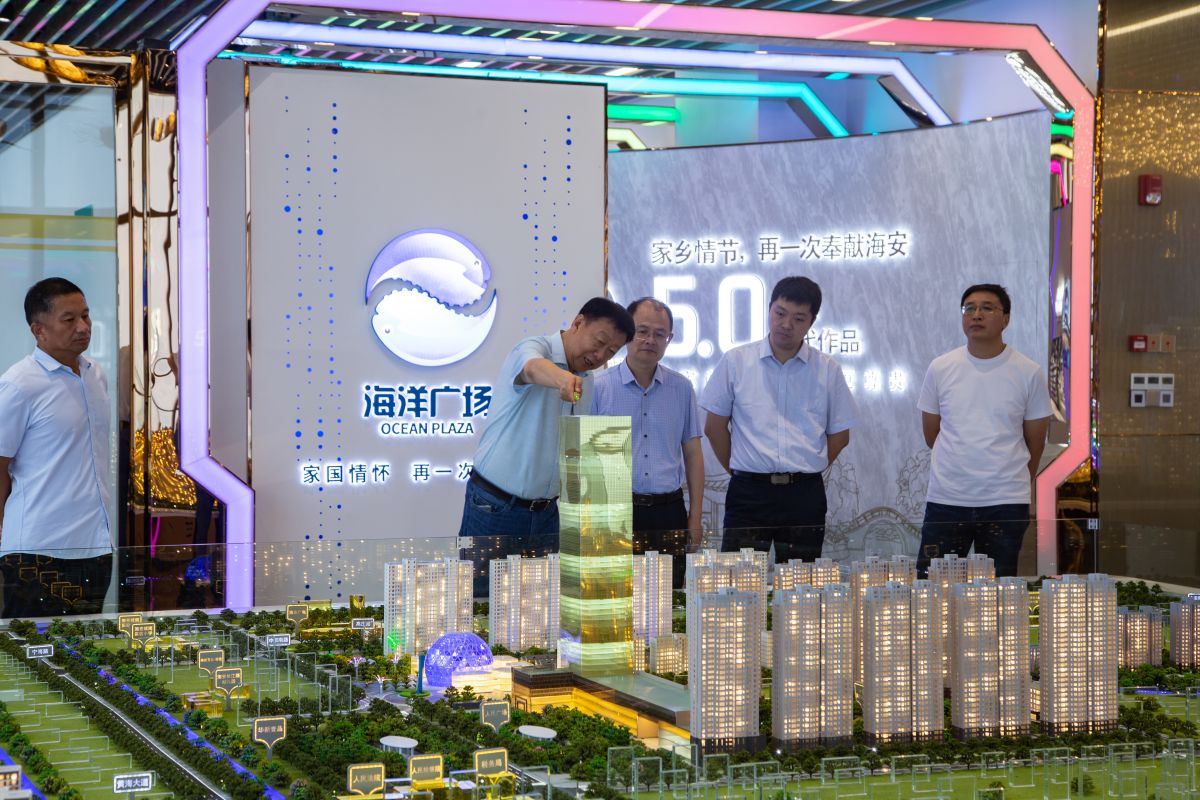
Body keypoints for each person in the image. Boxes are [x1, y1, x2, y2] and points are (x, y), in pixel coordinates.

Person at [459, 297, 635, 594]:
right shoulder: (533, 348)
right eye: (599, 342)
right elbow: (531, 368)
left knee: (538, 608)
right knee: (480, 603)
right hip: (495, 508)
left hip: (547, 514)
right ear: (578, 322)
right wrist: (562, 379)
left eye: (611, 352)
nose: (600, 355)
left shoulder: (588, 380)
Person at [701, 276, 856, 563]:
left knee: (801, 582)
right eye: (780, 313)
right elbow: (714, 427)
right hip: (749, 494)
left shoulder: (827, 369)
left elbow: (840, 435)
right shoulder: (736, 362)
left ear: (811, 322)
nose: (786, 324)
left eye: (798, 318)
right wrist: (740, 470)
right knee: (740, 578)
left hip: (804, 495)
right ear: (769, 308)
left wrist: (809, 465)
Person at [915, 283, 1052, 577]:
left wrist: (1013, 480)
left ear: (1006, 319)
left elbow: (1036, 442)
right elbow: (931, 435)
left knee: (998, 591)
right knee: (933, 587)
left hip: (1005, 501)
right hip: (947, 499)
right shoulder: (940, 367)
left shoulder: (1028, 371)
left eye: (987, 308)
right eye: (969, 308)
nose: (976, 314)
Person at [0, 278, 114, 616]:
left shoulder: (96, 375)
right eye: (69, 319)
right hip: (38, 550)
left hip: (95, 546)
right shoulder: (19, 384)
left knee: (87, 643)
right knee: (31, 645)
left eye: (86, 316)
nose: (83, 327)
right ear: (39, 330)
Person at [591, 298, 704, 587]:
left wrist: (694, 517)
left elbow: (693, 454)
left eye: (659, 334)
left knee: (669, 596)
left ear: (669, 339)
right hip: (614, 511)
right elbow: (584, 460)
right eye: (642, 331)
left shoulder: (681, 388)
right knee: (613, 596)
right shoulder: (599, 387)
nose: (650, 340)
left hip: (669, 512)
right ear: (628, 333)